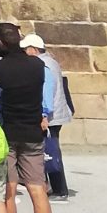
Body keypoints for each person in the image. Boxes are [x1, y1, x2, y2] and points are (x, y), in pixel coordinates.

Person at [0, 23, 58, 213]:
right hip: (32, 132)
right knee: (38, 189)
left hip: (7, 132)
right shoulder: (37, 65)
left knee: (9, 190)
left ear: (0, 43)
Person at [24, 32, 72, 198]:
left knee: (50, 152)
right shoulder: (51, 61)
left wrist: (44, 114)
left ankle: (59, 189)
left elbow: (47, 91)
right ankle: (55, 187)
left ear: (34, 49)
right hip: (56, 114)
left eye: (26, 49)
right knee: (51, 150)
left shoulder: (43, 65)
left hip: (50, 116)